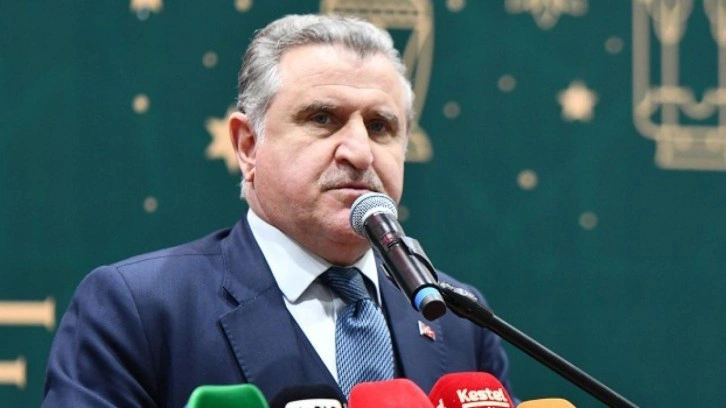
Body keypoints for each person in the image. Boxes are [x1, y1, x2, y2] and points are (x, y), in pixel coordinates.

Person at [42, 14, 517, 407]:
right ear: (248, 146)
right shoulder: (138, 308)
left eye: (379, 126)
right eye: (322, 118)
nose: (359, 152)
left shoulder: (458, 318)